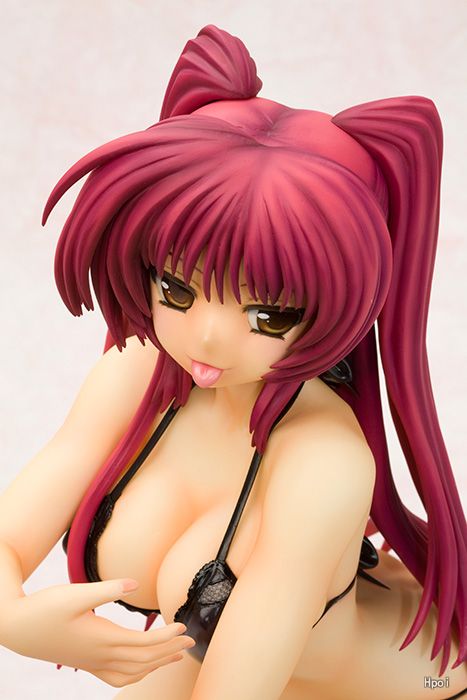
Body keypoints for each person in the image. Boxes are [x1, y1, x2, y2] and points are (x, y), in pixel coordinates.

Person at [0, 23, 465, 700]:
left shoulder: (323, 461)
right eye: (175, 289)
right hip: (210, 666)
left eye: (267, 315)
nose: (209, 339)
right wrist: (12, 620)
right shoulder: (135, 376)